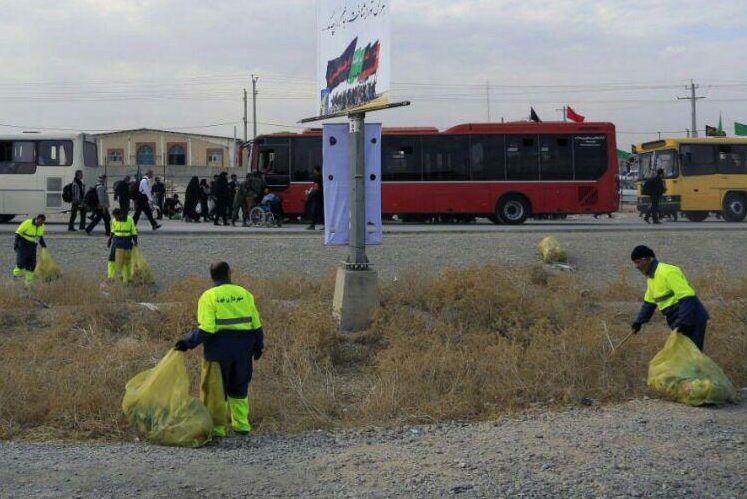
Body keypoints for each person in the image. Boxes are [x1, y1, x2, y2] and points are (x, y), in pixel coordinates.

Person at [174, 261, 264, 436]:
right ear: (230, 273)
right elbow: (256, 325)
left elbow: (207, 328)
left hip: (217, 350)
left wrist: (187, 343)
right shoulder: (244, 294)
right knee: (239, 387)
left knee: (216, 390)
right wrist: (259, 345)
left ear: (211, 277)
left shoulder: (208, 296)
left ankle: (217, 429)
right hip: (243, 348)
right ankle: (242, 426)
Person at [630, 245, 709, 351]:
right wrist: (639, 322)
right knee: (682, 356)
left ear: (647, 259)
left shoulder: (668, 272)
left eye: (638, 262)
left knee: (691, 355)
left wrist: (683, 322)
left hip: (691, 318)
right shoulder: (651, 278)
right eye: (635, 262)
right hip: (677, 320)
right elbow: (649, 303)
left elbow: (688, 297)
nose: (636, 266)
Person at [13, 214, 47, 287]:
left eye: (42, 223)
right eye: (40, 222)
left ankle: (28, 283)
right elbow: (18, 233)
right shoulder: (27, 222)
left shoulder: (42, 226)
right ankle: (15, 275)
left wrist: (43, 245)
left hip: (32, 246)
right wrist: (15, 244)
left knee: (31, 265)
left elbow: (40, 236)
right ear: (37, 219)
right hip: (22, 243)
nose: (40, 224)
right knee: (21, 263)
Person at [107, 208, 138, 283]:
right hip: (116, 240)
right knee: (111, 258)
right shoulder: (114, 220)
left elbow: (133, 230)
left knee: (125, 260)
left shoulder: (129, 219)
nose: (115, 218)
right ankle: (110, 277)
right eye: (114, 217)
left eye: (116, 217)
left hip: (126, 240)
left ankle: (125, 278)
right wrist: (109, 239)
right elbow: (113, 230)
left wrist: (135, 241)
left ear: (121, 214)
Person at [305, 165, 324, 230]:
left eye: (314, 170)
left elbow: (316, 188)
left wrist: (310, 193)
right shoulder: (322, 176)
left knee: (316, 211)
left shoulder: (317, 178)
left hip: (318, 197)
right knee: (321, 211)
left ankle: (312, 225)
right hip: (322, 196)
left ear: (315, 170)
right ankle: (323, 225)